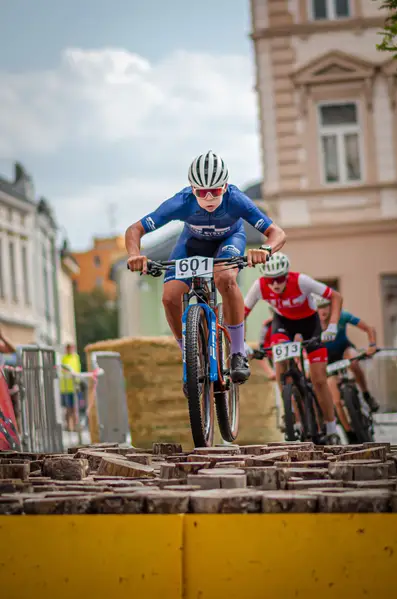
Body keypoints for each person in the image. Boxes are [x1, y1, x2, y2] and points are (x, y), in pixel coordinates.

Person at [125, 150, 286, 386]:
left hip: (228, 242)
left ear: (225, 186)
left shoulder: (236, 200)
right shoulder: (181, 202)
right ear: (192, 189)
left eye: (216, 191)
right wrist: (134, 255)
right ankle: (188, 354)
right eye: (202, 192)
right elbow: (134, 230)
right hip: (192, 246)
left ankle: (238, 352)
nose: (209, 197)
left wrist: (264, 250)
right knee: (170, 297)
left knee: (225, 279)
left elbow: (277, 233)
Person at [244, 252, 343, 444]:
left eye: (280, 279)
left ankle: (331, 427)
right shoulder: (259, 286)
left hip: (309, 324)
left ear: (287, 275)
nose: (275, 284)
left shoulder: (302, 281)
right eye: (271, 280)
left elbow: (336, 297)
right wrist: (241, 344)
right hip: (283, 324)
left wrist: (332, 326)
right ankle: (292, 418)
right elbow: (241, 314)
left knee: (319, 379)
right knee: (280, 365)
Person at [315, 296, 379, 412]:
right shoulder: (312, 323)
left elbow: (369, 329)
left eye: (326, 306)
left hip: (344, 349)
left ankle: (366, 395)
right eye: (319, 308)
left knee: (354, 362)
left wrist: (372, 345)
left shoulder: (342, 316)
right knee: (331, 392)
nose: (323, 311)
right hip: (326, 357)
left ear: (331, 307)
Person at [60, 343, 81, 432]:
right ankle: (69, 426)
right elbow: (63, 370)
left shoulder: (76, 357)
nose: (70, 350)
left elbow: (77, 369)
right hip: (66, 388)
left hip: (74, 386)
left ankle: (76, 425)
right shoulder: (64, 358)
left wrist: (78, 383)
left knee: (75, 408)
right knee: (68, 408)